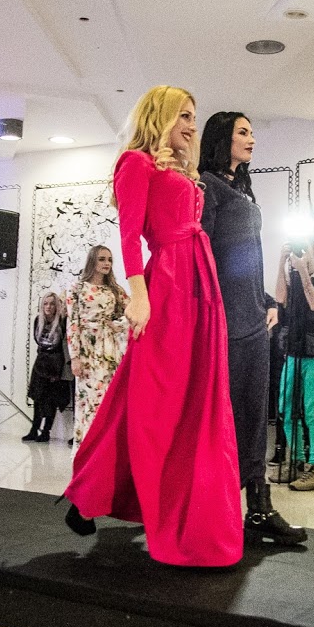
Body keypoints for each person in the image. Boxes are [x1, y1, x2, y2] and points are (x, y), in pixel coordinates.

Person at [62, 85, 243, 567]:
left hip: (200, 284)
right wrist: (138, 296)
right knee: (157, 400)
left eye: (193, 117)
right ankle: (119, 495)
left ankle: (96, 493)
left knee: (176, 396)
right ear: (158, 116)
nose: (191, 125)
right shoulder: (135, 163)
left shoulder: (178, 169)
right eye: (183, 115)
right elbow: (129, 235)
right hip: (169, 283)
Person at [198, 110, 305, 545]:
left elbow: (247, 261)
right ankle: (215, 511)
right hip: (222, 324)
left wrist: (267, 301)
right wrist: (213, 313)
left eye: (252, 132)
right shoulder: (207, 186)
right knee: (221, 420)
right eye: (243, 132)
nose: (252, 139)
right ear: (222, 138)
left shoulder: (242, 188)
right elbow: (203, 259)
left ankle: (259, 507)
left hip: (253, 322)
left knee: (255, 417)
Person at [273, 241, 314, 491]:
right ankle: (297, 460)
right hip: (293, 351)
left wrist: (302, 272)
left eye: (305, 249)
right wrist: (282, 262)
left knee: (313, 411)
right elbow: (281, 298)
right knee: (286, 408)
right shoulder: (292, 276)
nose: (301, 254)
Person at [66, 245, 129, 447]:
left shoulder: (115, 290)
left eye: (109, 260)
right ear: (92, 260)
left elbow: (134, 312)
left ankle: (105, 448)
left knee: (107, 398)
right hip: (87, 350)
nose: (106, 263)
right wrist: (75, 357)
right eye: (102, 259)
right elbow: (72, 323)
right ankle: (86, 447)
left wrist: (118, 324)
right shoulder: (77, 288)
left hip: (109, 349)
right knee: (89, 399)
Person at [23, 293, 70, 442]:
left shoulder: (62, 321)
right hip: (41, 362)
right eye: (46, 303)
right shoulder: (38, 320)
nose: (48, 307)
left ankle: (46, 432)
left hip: (55, 364)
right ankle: (34, 429)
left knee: (51, 400)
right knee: (37, 397)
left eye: (52, 304)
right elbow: (38, 340)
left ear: (57, 306)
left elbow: (63, 344)